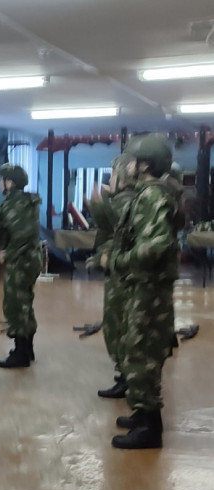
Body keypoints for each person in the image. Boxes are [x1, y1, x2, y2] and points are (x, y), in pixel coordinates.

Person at [107, 135, 180, 450]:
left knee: (141, 354)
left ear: (145, 165)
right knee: (135, 349)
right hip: (143, 285)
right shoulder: (147, 194)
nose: (128, 166)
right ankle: (143, 414)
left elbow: (157, 243)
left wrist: (121, 260)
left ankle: (150, 428)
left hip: (149, 288)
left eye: (133, 161)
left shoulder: (152, 196)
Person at [88, 155, 136, 399]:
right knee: (120, 323)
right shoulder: (123, 199)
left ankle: (127, 377)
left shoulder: (125, 200)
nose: (111, 178)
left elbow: (114, 232)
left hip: (122, 273)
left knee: (117, 324)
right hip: (121, 269)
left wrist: (100, 205)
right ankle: (126, 375)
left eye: (114, 173)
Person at [0, 163, 41, 368]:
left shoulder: (14, 205)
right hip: (30, 259)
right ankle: (27, 348)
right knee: (25, 303)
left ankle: (21, 353)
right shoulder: (26, 201)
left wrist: (8, 253)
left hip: (20, 261)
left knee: (15, 305)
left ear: (10, 183)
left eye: (2, 179)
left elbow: (22, 234)